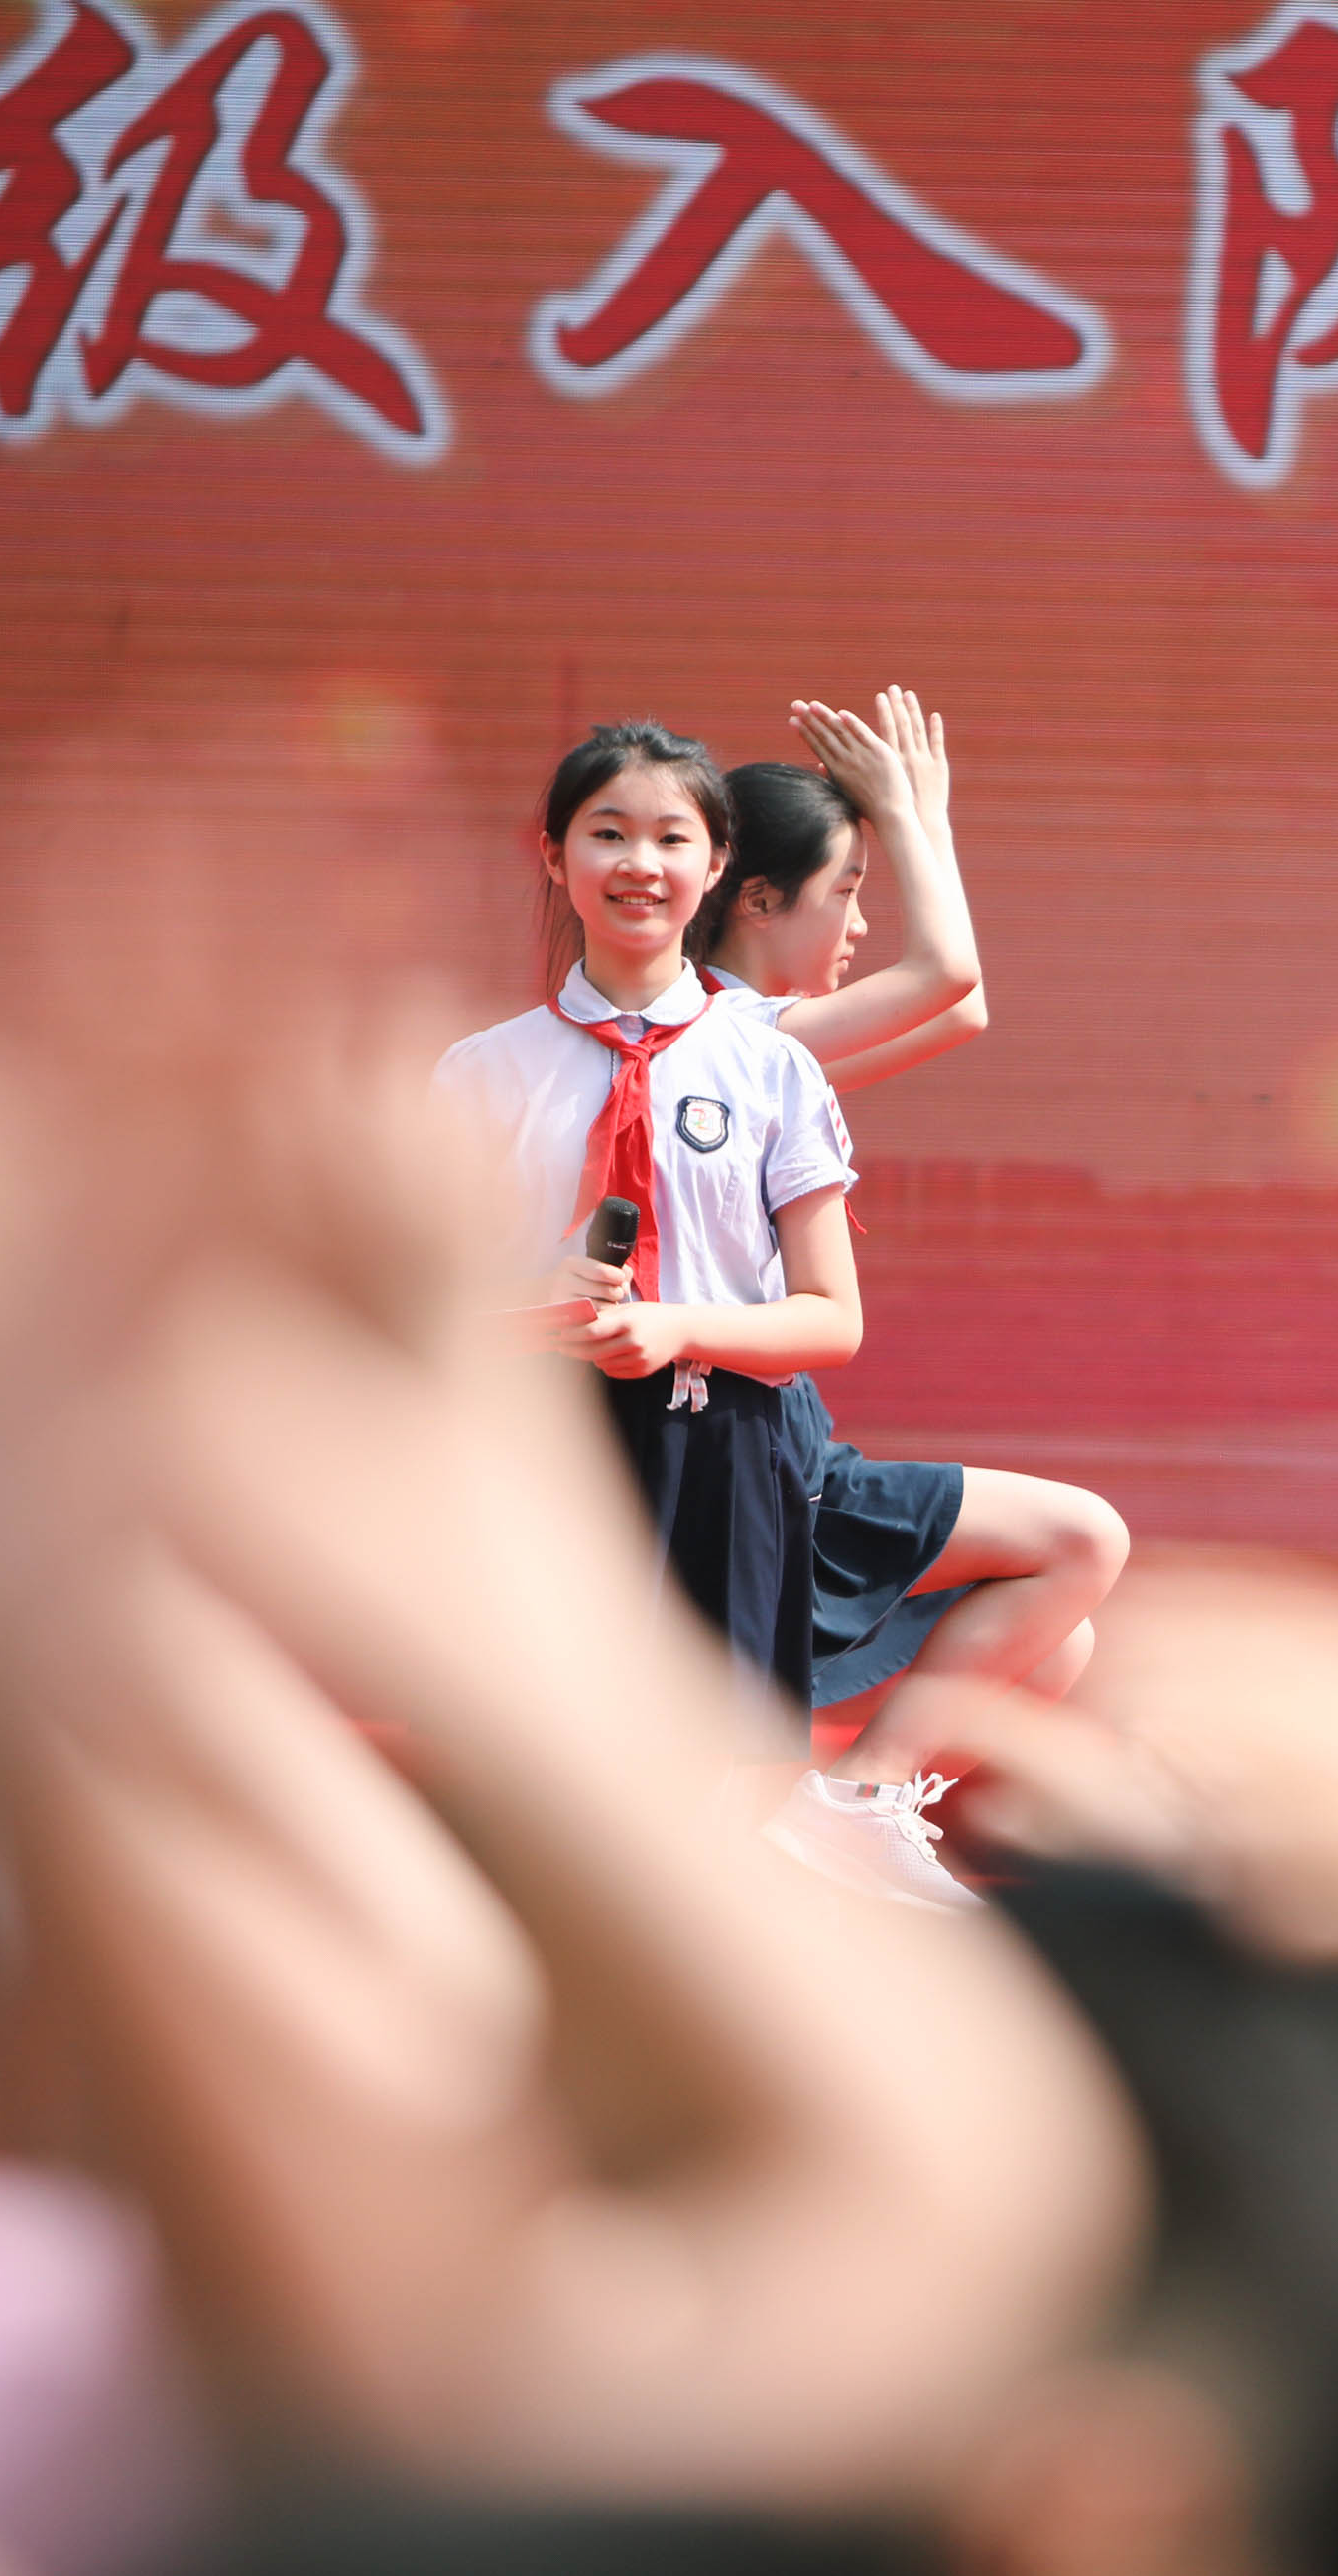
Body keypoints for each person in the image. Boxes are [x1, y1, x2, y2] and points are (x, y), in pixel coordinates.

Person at [434, 722, 940, 1899]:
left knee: (725, 1792)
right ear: (552, 853)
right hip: (539, 1453)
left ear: (716, 867)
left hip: (727, 1450)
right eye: (606, 832)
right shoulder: (480, 1072)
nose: (638, 863)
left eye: (672, 836)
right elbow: (413, 1319)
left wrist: (676, 1327)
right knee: (547, 1785)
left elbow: (830, 1320)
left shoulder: (772, 1068)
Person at [690, 687, 1131, 1906]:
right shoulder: (736, 1037)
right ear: (760, 902)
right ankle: (857, 1799)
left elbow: (962, 1002)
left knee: (1058, 1638)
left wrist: (914, 817)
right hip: (755, 1447)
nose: (860, 920)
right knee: (1084, 1541)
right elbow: (947, 969)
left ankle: (826, 1805)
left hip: (789, 1434)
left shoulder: (771, 1039)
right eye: (843, 890)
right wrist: (908, 806)